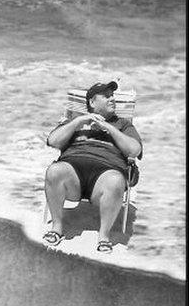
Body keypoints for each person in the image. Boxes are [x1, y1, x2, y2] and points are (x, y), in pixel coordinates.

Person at [44, 81, 142, 253]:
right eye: (106, 96)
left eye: (113, 96)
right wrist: (78, 121)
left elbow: (134, 150)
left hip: (104, 179)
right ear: (92, 102)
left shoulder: (123, 125)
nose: (112, 99)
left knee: (115, 181)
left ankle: (104, 236)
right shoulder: (72, 122)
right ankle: (56, 227)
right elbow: (53, 141)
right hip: (72, 177)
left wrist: (109, 129)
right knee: (54, 171)